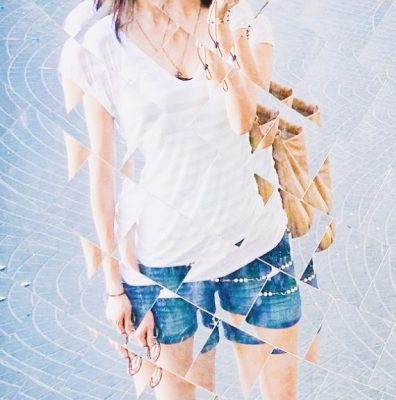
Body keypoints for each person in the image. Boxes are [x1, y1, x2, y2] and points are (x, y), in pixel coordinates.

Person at [71, 0, 300, 398]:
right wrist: (114, 288)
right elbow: (102, 175)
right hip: (164, 263)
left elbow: (245, 120)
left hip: (255, 244)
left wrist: (223, 41)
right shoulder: (101, 46)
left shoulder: (237, 20)